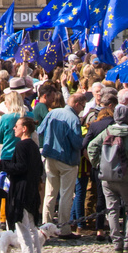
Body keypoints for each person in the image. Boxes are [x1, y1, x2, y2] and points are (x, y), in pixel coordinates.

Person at [88, 104, 128, 253]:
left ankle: (116, 242)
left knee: (112, 210)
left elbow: (91, 146)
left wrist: (97, 164)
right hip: (126, 176)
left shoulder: (107, 131)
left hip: (107, 176)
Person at [1, 116, 46, 253]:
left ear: (24, 128)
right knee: (33, 228)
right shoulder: (34, 146)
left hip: (21, 190)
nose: (14, 128)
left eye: (17, 126)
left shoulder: (21, 146)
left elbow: (20, 167)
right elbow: (38, 169)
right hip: (32, 189)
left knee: (23, 229)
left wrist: (1, 164)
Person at [36, 85, 83, 237]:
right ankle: (63, 229)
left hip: (51, 157)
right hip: (68, 160)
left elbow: (40, 131)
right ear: (76, 104)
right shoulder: (73, 119)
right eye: (82, 106)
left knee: (50, 193)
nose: (82, 109)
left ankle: (46, 227)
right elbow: (77, 143)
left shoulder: (52, 113)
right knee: (66, 194)